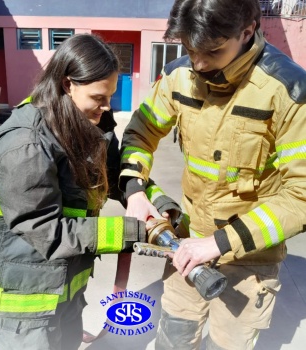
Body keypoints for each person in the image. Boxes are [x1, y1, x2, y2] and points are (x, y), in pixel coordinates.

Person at [119, 0, 306, 349]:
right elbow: (139, 133)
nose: (198, 63)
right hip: (186, 247)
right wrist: (134, 189)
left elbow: (301, 196)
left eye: (212, 51)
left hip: (249, 261)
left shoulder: (289, 92)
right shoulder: (178, 76)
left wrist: (218, 244)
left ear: (247, 31)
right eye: (190, 49)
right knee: (174, 337)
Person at [0, 33, 180, 350]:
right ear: (68, 84)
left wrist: (154, 202)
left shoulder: (85, 122)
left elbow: (114, 173)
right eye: (99, 97)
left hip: (65, 292)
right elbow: (47, 232)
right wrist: (136, 230)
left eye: (110, 95)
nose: (107, 106)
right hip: (26, 306)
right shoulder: (24, 146)